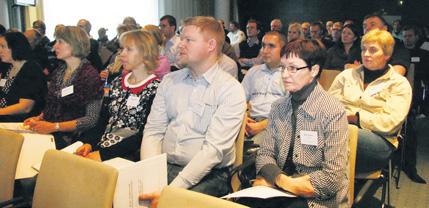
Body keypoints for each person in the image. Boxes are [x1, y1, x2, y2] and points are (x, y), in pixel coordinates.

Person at [139, 16, 246, 207]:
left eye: (188, 40)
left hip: (209, 174)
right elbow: (153, 131)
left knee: (171, 204)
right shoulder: (170, 80)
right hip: (164, 165)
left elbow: (212, 152)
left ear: (211, 45)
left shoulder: (230, 89)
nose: (180, 44)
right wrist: (150, 175)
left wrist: (171, 191)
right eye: (181, 37)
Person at [240, 39, 349, 208]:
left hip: (317, 198)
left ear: (314, 70)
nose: (284, 74)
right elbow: (265, 154)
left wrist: (281, 183)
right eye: (283, 68)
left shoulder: (333, 111)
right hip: (280, 186)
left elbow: (332, 178)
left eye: (293, 68)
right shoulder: (279, 107)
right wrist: (281, 179)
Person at [329, 29, 412, 175]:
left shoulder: (399, 84)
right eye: (364, 49)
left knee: (339, 133)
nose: (366, 54)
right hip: (338, 132)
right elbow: (328, 105)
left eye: (373, 50)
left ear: (387, 55)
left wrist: (355, 118)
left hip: (379, 142)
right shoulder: (346, 76)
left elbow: (390, 123)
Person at [75, 30, 160, 161]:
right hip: (102, 148)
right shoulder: (117, 82)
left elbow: (145, 135)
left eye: (129, 49)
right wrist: (89, 144)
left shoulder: (156, 89)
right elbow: (103, 119)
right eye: (122, 49)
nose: (121, 54)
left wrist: (103, 155)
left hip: (128, 155)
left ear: (145, 54)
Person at [24, 26, 104, 149]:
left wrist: (54, 126)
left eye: (60, 42)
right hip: (51, 133)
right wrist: (39, 118)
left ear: (74, 45)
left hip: (72, 140)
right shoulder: (59, 71)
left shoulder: (90, 76)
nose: (54, 46)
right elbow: (53, 104)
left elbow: (91, 119)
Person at [241, 31, 287, 144]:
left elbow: (290, 113)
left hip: (274, 125)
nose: (265, 51)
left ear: (283, 49)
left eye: (271, 46)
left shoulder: (289, 74)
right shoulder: (253, 71)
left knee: (252, 149)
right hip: (248, 122)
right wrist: (242, 119)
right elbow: (238, 101)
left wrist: (262, 125)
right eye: (263, 46)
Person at [0, 32, 47, 122]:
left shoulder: (31, 69)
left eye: (3, 46)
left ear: (15, 47)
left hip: (21, 120)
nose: (0, 50)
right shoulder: (8, 67)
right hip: (5, 117)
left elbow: (25, 107)